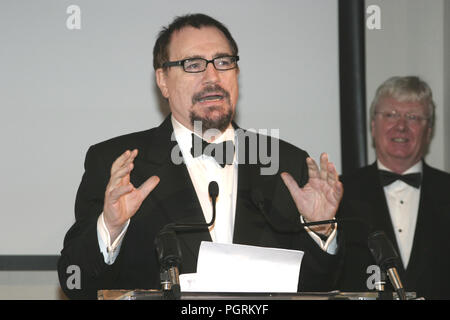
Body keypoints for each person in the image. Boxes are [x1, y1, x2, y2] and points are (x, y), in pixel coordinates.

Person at [58, 13, 343, 300]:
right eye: (193, 64)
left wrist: (319, 231)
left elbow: (321, 286)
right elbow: (75, 283)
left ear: (237, 74)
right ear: (163, 81)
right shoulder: (117, 163)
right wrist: (111, 227)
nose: (212, 77)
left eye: (223, 62)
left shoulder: (287, 164)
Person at [337, 76, 450, 299]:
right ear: (372, 125)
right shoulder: (339, 193)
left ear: (428, 131)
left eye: (413, 117)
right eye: (390, 115)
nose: (401, 126)